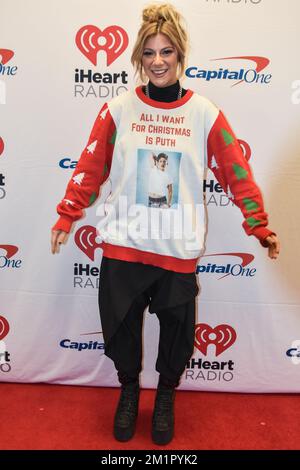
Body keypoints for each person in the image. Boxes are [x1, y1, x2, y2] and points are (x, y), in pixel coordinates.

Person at [51, 3, 280, 446]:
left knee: (177, 336)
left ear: (180, 56)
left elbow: (236, 171)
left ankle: (167, 396)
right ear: (139, 57)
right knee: (120, 331)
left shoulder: (205, 113)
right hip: (124, 245)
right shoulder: (118, 109)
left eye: (167, 52)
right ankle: (130, 391)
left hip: (178, 250)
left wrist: (258, 224)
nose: (158, 61)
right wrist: (67, 213)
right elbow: (90, 166)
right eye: (150, 53)